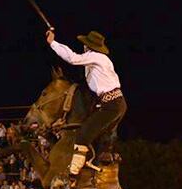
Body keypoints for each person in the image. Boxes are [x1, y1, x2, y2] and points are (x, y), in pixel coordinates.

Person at [46, 30, 126, 176]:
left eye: (84, 45)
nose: (83, 47)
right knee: (99, 134)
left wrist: (53, 43)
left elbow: (72, 58)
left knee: (83, 134)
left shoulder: (95, 57)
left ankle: (74, 172)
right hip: (115, 103)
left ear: (89, 47)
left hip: (111, 104)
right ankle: (100, 159)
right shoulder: (100, 61)